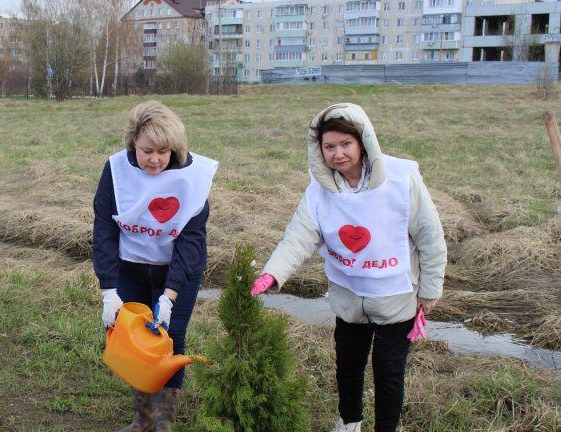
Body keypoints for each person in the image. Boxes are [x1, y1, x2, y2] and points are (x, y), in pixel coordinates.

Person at [251, 103, 447, 432]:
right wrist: (273, 273)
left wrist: (430, 290)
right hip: (350, 297)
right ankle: (349, 422)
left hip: (396, 298)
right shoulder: (318, 194)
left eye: (346, 144)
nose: (338, 154)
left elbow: (431, 237)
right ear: (319, 150)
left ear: (363, 142)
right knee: (348, 366)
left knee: (388, 371)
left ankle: (387, 428)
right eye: (329, 147)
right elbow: (297, 239)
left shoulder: (401, 181)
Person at [93, 101, 218, 432]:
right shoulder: (117, 171)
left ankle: (163, 423)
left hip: (176, 270)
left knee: (170, 338)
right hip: (130, 266)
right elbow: (104, 229)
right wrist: (109, 290)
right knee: (135, 340)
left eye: (164, 151)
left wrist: (170, 294)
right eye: (148, 150)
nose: (155, 159)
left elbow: (191, 241)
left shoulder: (192, 178)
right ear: (133, 142)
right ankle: (143, 419)